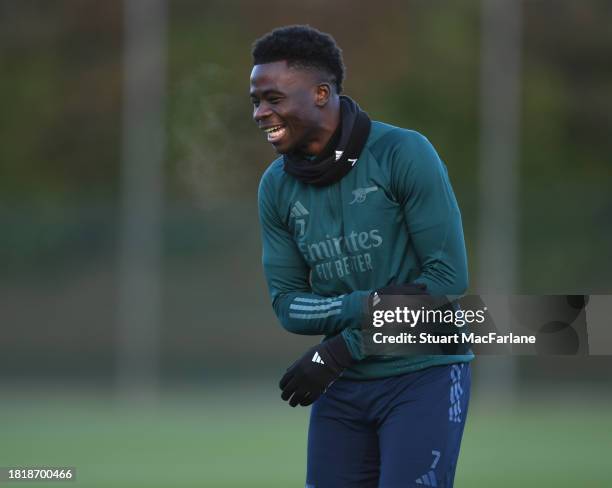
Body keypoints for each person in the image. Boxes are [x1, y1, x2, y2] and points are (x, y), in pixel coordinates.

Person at [251, 25, 473, 488]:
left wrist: (341, 346)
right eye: (255, 101)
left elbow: (447, 281)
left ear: (320, 93)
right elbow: (288, 303)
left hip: (423, 376)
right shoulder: (275, 186)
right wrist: (363, 309)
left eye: (273, 98)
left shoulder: (403, 152)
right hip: (344, 387)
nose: (260, 113)